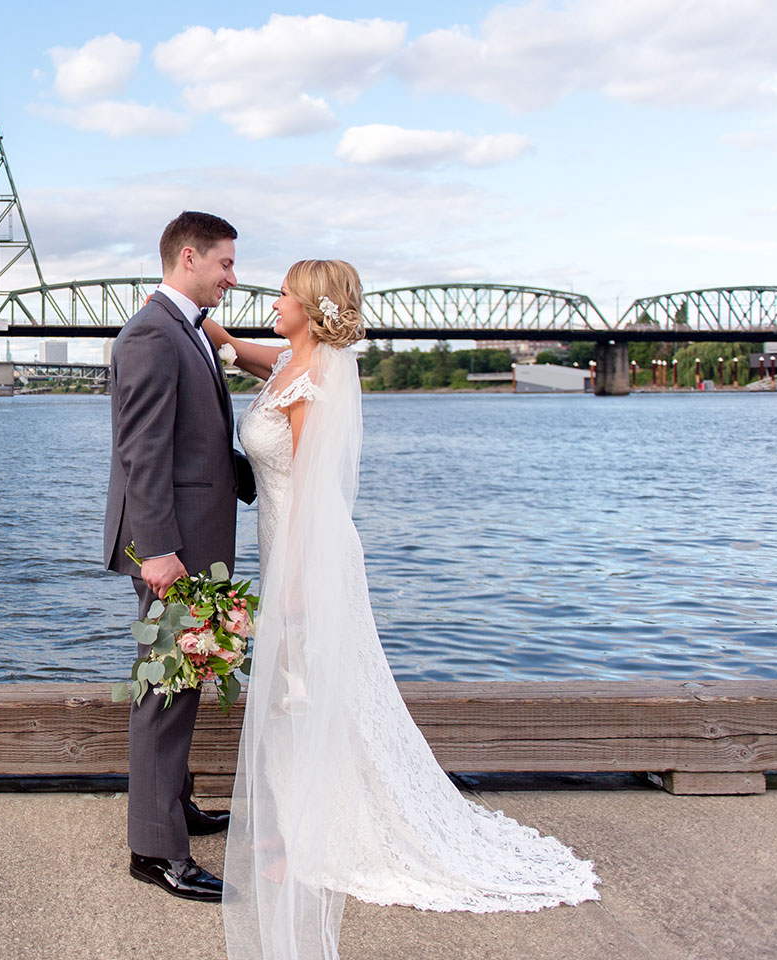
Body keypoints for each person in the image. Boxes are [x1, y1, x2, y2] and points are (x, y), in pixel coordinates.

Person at [203, 260, 600, 959]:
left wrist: (292, 583)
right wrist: (205, 323)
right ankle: (313, 817)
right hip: (285, 549)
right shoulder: (297, 360)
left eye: (284, 296)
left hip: (308, 556)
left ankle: (311, 836)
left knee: (305, 690)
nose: (273, 303)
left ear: (311, 308)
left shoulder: (317, 382)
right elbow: (251, 355)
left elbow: (315, 494)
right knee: (312, 692)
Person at [104, 211, 255, 903]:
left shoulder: (183, 331)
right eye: (224, 263)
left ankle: (178, 805)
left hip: (199, 541)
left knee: (186, 679)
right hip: (176, 550)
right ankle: (156, 850)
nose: (232, 275)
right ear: (188, 257)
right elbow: (143, 452)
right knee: (165, 690)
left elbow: (193, 438)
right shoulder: (150, 334)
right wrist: (156, 549)